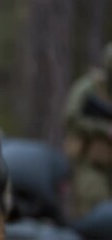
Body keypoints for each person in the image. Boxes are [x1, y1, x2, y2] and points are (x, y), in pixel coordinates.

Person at [63, 43, 112, 219]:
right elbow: (70, 117)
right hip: (90, 164)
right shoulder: (89, 87)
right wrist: (103, 129)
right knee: (95, 212)